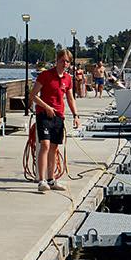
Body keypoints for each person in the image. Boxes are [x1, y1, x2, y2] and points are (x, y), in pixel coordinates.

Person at [30, 48, 81, 193]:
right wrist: (46, 107)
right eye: (62, 61)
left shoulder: (68, 79)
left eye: (67, 62)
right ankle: (41, 180)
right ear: (57, 60)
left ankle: (51, 179)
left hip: (59, 116)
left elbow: (70, 98)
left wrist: (76, 115)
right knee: (45, 145)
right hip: (44, 114)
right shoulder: (46, 75)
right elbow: (33, 95)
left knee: (54, 148)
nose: (65, 64)